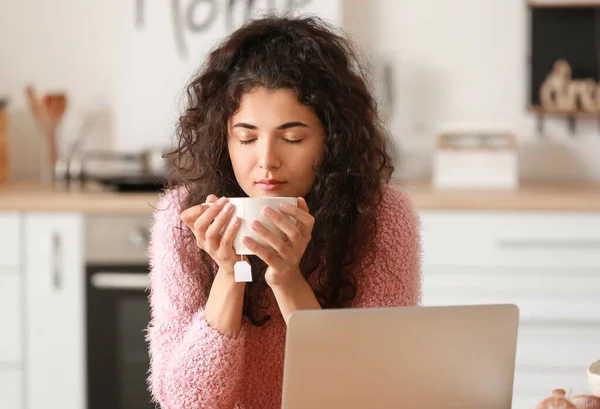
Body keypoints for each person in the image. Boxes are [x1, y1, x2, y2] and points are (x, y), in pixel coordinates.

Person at [145, 14, 421, 409]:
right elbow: (188, 400)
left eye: (292, 137)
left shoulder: (381, 216)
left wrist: (287, 278)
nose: (266, 161)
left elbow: (368, 391)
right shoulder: (184, 218)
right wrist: (230, 272)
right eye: (246, 137)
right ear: (224, 138)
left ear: (332, 140)